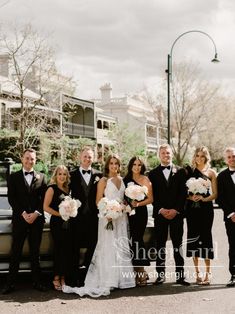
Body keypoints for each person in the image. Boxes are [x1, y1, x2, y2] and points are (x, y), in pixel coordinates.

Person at [62, 154, 135, 297]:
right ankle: (109, 279)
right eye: (111, 163)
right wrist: (108, 212)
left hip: (120, 218)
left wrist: (124, 206)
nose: (114, 166)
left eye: (117, 163)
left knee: (120, 246)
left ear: (120, 166)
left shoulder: (122, 180)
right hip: (107, 218)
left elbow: (124, 199)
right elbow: (98, 201)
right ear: (107, 165)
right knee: (108, 247)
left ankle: (122, 279)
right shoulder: (103, 180)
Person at [2, 148, 47, 294]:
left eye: (32, 159)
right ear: (22, 159)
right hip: (20, 220)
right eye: (27, 158)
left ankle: (37, 282)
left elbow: (44, 199)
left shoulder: (42, 177)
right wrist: (22, 213)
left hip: (37, 220)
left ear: (35, 160)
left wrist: (36, 213)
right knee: (16, 252)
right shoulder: (13, 177)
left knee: (35, 252)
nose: (29, 161)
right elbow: (11, 198)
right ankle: (10, 284)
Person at [148, 143, 189, 286]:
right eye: (163, 153)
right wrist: (161, 209)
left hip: (176, 214)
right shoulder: (152, 174)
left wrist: (176, 210)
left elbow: (183, 194)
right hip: (160, 214)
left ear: (172, 154)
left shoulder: (182, 171)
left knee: (178, 244)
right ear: (159, 155)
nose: (166, 155)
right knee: (160, 245)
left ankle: (180, 276)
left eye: (168, 153)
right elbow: (152, 195)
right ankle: (160, 275)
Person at [68, 146, 102, 286]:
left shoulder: (99, 175)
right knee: (74, 248)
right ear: (80, 157)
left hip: (94, 218)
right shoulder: (71, 174)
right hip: (77, 218)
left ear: (93, 159)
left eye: (90, 157)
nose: (87, 159)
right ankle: (73, 278)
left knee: (92, 248)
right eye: (85, 156)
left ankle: (89, 277)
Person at [185, 146, 217, 285]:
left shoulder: (211, 173)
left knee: (206, 237)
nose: (199, 158)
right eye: (197, 155)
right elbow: (183, 192)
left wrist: (204, 199)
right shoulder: (189, 172)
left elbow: (215, 194)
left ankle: (208, 273)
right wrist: (191, 198)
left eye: (202, 156)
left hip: (206, 209)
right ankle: (197, 272)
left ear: (206, 157)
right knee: (193, 238)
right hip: (192, 209)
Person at [124, 156, 153, 286]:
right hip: (128, 213)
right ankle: (138, 271)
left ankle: (140, 271)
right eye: (134, 164)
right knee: (130, 240)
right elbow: (122, 197)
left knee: (137, 239)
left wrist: (138, 204)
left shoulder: (145, 179)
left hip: (140, 213)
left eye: (139, 165)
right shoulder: (126, 179)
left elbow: (150, 199)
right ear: (131, 165)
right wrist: (128, 204)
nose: (137, 167)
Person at [43, 165, 70, 291]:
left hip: (68, 223)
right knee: (59, 250)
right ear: (56, 175)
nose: (62, 176)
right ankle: (56, 277)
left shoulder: (67, 189)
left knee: (66, 250)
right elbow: (46, 207)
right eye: (60, 174)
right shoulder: (51, 189)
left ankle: (64, 277)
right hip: (57, 223)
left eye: (64, 174)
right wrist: (60, 214)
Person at [217, 147, 235, 287]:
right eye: (229, 157)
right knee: (233, 246)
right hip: (231, 218)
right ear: (225, 160)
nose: (232, 159)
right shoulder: (221, 176)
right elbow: (220, 199)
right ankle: (233, 275)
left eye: (233, 156)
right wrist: (231, 213)